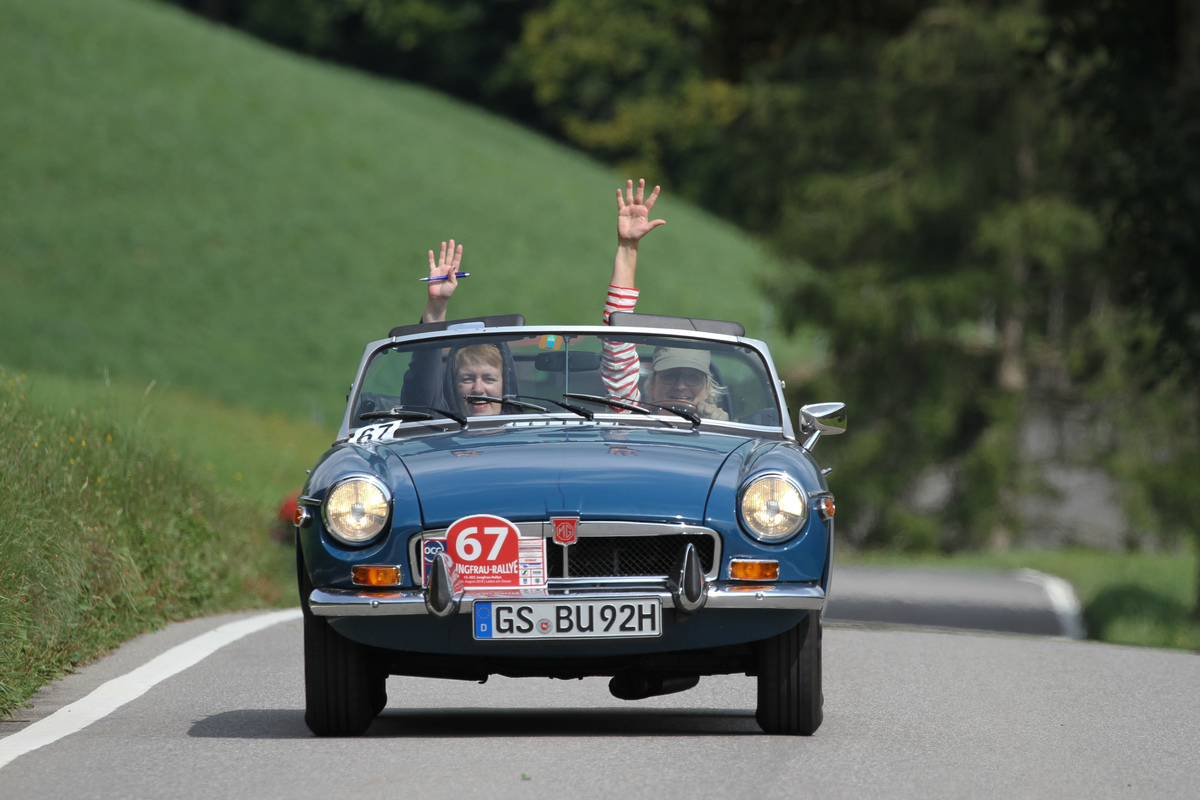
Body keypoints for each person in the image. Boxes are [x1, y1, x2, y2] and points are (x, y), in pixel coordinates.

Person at [601, 180, 728, 420]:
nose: (681, 386)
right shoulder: (630, 416)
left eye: (692, 377)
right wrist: (628, 246)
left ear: (708, 388)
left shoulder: (729, 432)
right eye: (670, 375)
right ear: (651, 385)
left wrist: (719, 430)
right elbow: (617, 345)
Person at [400, 240, 518, 417]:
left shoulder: (527, 435)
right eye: (467, 379)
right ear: (453, 385)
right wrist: (436, 305)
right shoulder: (438, 430)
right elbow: (422, 391)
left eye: (489, 379)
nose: (478, 389)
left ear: (505, 385)